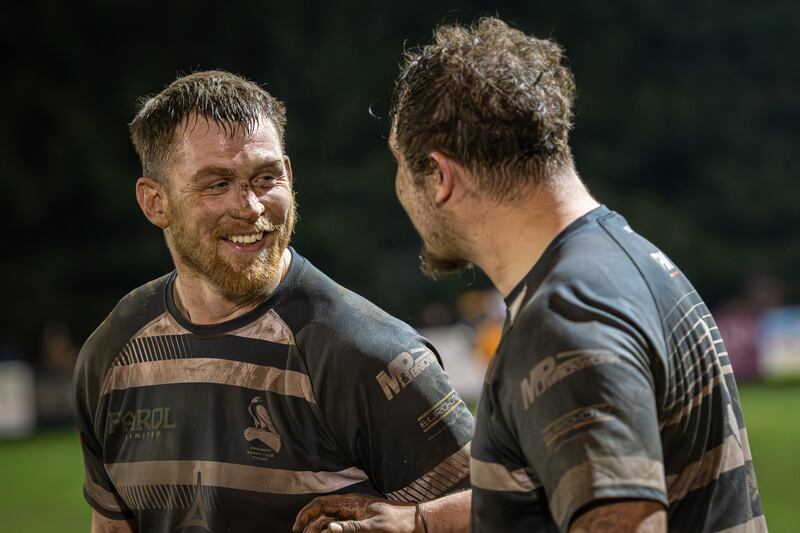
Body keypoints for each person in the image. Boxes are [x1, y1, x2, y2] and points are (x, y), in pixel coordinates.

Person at [298, 17, 765, 533]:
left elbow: (623, 520)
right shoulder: (619, 261)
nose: (398, 189)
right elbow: (560, 489)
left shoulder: (566, 319)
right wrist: (418, 523)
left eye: (400, 167)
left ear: (441, 176)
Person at [72, 71, 473, 533]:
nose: (252, 207)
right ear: (155, 202)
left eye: (266, 177)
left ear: (290, 175)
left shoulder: (367, 352)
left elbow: (510, 507)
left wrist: (417, 523)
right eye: (217, 184)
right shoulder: (113, 352)